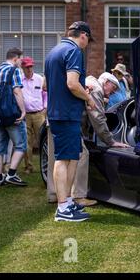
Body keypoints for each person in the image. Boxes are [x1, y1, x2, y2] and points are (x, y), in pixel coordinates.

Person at [46, 73, 129, 206]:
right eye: (113, 88)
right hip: (68, 122)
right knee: (82, 154)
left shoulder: (88, 80)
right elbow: (98, 118)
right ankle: (78, 196)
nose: (112, 93)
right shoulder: (96, 89)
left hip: (52, 118)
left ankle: (53, 194)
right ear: (106, 82)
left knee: (55, 157)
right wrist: (111, 141)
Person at [44, 21, 96, 222]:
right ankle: (63, 208)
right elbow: (72, 84)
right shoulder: (74, 51)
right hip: (67, 114)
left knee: (70, 157)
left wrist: (81, 91)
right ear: (82, 35)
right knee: (64, 159)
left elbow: (46, 85)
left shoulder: (53, 52)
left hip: (58, 112)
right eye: (88, 40)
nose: (87, 44)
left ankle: (67, 203)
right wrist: (88, 97)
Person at [0, 48, 28, 187]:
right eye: (21, 59)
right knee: (21, 145)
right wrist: (23, 111)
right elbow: (17, 91)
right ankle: (11, 174)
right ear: (15, 58)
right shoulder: (14, 70)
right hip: (11, 115)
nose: (21, 62)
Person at [20, 57, 47, 174]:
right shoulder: (19, 80)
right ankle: (28, 166)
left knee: (43, 140)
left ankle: (46, 164)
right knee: (27, 141)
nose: (29, 69)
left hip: (39, 114)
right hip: (25, 115)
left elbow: (46, 94)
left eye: (31, 66)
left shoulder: (39, 79)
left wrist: (45, 108)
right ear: (22, 68)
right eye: (27, 67)